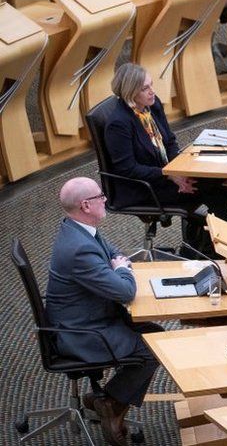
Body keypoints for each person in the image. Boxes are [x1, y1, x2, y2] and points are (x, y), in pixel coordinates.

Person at [45, 177, 164, 446]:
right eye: (101, 196)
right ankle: (111, 403)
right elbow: (124, 292)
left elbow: (114, 252)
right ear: (86, 205)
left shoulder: (80, 229)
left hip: (88, 316)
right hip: (82, 332)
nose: (106, 200)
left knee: (155, 334)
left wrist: (119, 266)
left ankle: (108, 400)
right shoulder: (80, 249)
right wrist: (121, 270)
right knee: (154, 347)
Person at [103, 63, 227, 256]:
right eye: (145, 88)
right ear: (130, 92)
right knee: (209, 184)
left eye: (151, 85)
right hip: (144, 187)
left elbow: (169, 140)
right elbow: (127, 169)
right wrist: (169, 175)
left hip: (166, 171)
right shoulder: (118, 124)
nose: (152, 92)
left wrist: (180, 168)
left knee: (206, 176)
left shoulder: (151, 104)